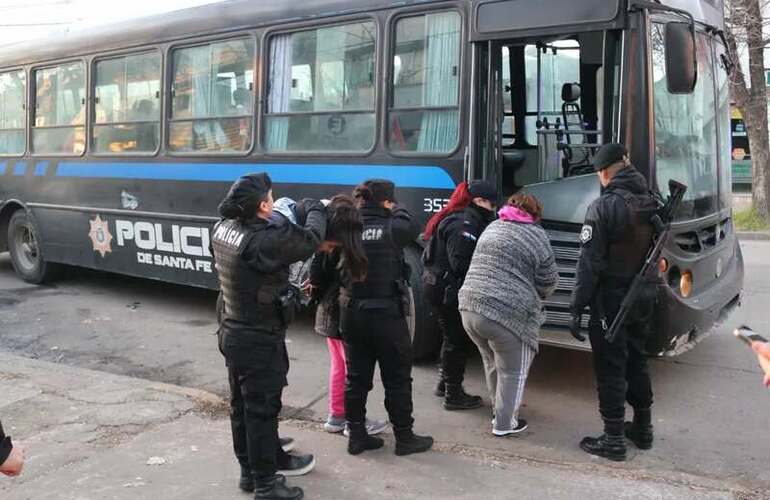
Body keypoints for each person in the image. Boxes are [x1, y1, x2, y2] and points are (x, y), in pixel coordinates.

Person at [212, 173, 326, 500]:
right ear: (263, 206)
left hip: (233, 329)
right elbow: (311, 238)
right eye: (271, 198)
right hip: (257, 338)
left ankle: (250, 473)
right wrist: (314, 206)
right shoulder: (264, 240)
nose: (275, 202)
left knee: (242, 407)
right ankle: (265, 485)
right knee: (261, 411)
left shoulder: (223, 229)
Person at [569, 143, 659, 462]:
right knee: (637, 358)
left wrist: (576, 306)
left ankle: (613, 438)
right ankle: (643, 429)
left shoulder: (604, 207)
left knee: (610, 365)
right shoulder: (652, 199)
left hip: (612, 300)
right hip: (645, 295)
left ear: (604, 172)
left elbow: (589, 263)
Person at [340, 179, 433, 456]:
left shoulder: (346, 228)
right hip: (386, 316)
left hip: (351, 313)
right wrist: (396, 206)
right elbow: (411, 221)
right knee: (397, 379)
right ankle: (404, 438)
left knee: (356, 379)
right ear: (386, 202)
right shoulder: (394, 227)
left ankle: (356, 435)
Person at [458, 194, 558, 436]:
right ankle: (504, 424)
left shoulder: (492, 226)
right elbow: (548, 282)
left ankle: (498, 410)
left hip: (469, 307)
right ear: (535, 215)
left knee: (493, 362)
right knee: (513, 370)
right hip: (506, 313)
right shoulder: (536, 236)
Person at [307, 195, 388, 436]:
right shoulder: (348, 246)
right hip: (342, 313)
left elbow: (316, 277)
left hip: (326, 311)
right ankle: (354, 422)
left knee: (339, 366)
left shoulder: (324, 244)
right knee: (353, 369)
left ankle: (337, 416)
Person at [422, 180, 498, 411]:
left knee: (450, 337)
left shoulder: (459, 216)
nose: (493, 209)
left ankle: (445, 385)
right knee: (456, 341)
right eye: (490, 204)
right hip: (447, 291)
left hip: (439, 286)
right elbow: (461, 263)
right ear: (478, 201)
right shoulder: (463, 224)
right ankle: (453, 395)